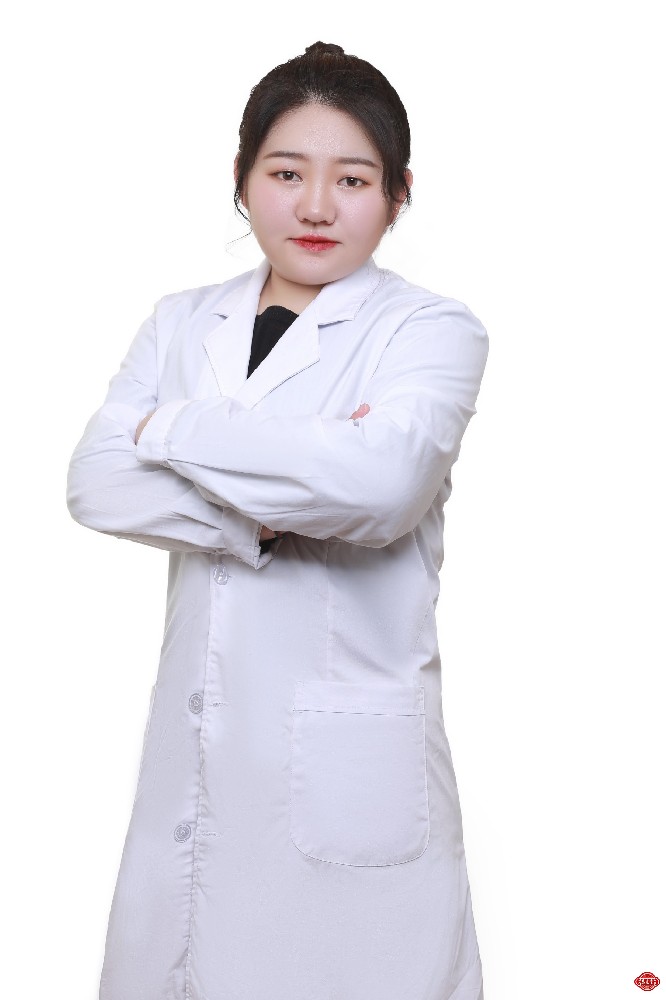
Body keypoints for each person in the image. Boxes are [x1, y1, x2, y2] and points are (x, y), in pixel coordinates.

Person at [66, 40, 489, 1000]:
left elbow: (381, 489)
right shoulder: (181, 322)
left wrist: (168, 428)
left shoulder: (429, 331)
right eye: (287, 173)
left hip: (349, 776)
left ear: (399, 193)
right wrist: (263, 515)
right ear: (242, 177)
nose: (316, 206)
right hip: (196, 755)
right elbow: (96, 483)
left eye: (354, 179)